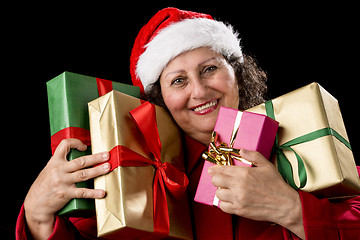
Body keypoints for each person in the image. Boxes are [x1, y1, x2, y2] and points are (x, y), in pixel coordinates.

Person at [16, 7, 360, 240]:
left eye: (210, 69)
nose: (199, 91)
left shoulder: (300, 142)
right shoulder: (130, 178)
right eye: (178, 81)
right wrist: (37, 216)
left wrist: (290, 209)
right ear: (159, 100)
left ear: (237, 75)